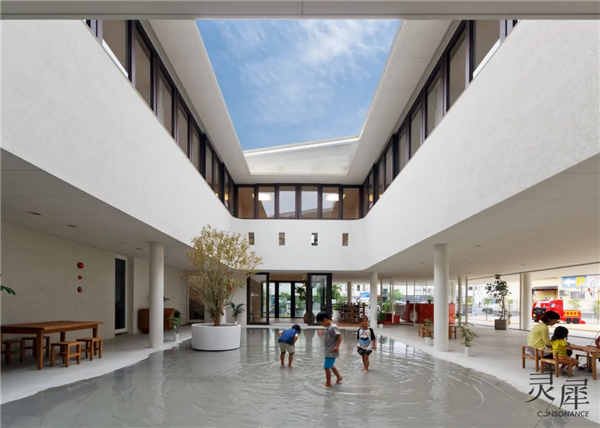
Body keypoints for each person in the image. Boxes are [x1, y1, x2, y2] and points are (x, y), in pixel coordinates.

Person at [316, 312, 343, 387]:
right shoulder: (329, 327)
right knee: (330, 365)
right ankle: (339, 377)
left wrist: (337, 346)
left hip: (331, 351)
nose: (322, 325)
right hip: (328, 350)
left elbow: (339, 336)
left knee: (326, 367)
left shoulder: (333, 327)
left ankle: (328, 383)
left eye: (321, 323)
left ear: (325, 320)